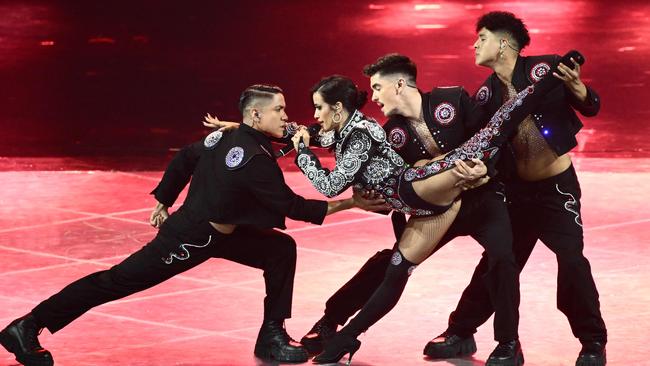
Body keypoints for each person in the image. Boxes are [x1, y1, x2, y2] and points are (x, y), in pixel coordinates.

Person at [0, 84, 365, 366]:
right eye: (280, 110)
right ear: (256, 115)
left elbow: (186, 158)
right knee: (117, 281)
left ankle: (271, 336)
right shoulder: (255, 159)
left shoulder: (226, 135)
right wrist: (352, 202)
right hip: (192, 236)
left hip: (224, 232)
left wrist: (164, 200)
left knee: (280, 249)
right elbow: (294, 206)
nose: (287, 116)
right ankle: (29, 325)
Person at [292, 50, 582, 365]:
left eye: (377, 87)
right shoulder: (391, 134)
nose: (372, 97)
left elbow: (494, 136)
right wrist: (360, 201)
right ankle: (331, 321)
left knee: (503, 258)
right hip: (437, 210)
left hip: (482, 198)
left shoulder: (452, 99)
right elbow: (387, 184)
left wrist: (485, 171)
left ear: (399, 85)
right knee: (390, 264)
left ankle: (507, 344)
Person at [423, 11, 607, 366]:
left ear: (503, 42)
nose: (474, 45)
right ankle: (461, 331)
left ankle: (593, 341)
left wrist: (581, 90)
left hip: (557, 192)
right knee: (497, 261)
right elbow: (482, 143)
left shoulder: (546, 70)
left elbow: (591, 105)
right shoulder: (485, 95)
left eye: (481, 38)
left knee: (571, 260)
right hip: (516, 195)